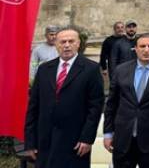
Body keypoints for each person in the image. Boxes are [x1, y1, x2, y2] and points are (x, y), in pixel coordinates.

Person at [24, 27, 104, 168]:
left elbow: (95, 107)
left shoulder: (91, 69)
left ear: (78, 44)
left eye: (71, 41)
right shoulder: (44, 69)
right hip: (45, 141)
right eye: (62, 42)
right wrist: (30, 142)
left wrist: (87, 139)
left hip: (75, 142)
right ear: (56, 44)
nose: (66, 45)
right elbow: (33, 107)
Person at [103, 33, 149, 168]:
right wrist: (108, 133)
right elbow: (111, 104)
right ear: (136, 49)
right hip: (123, 138)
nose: (146, 50)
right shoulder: (121, 70)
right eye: (142, 46)